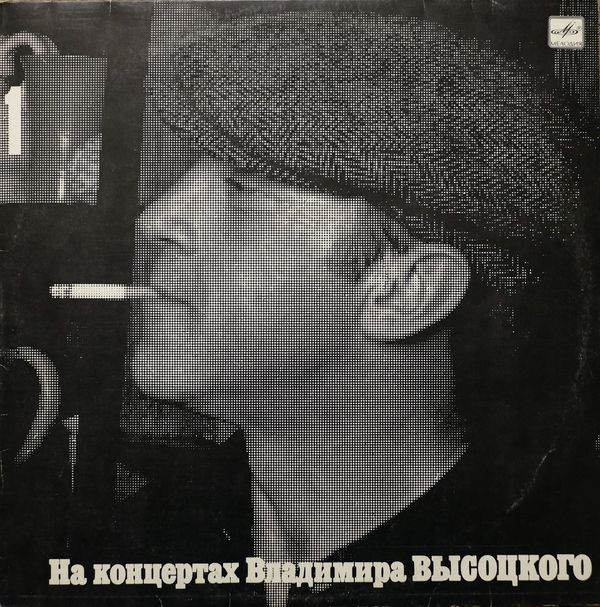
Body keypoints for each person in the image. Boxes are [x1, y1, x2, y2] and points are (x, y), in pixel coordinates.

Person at [126, 10, 599, 607]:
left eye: (244, 183)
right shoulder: (144, 537)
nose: (155, 219)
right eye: (189, 172)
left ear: (410, 291)